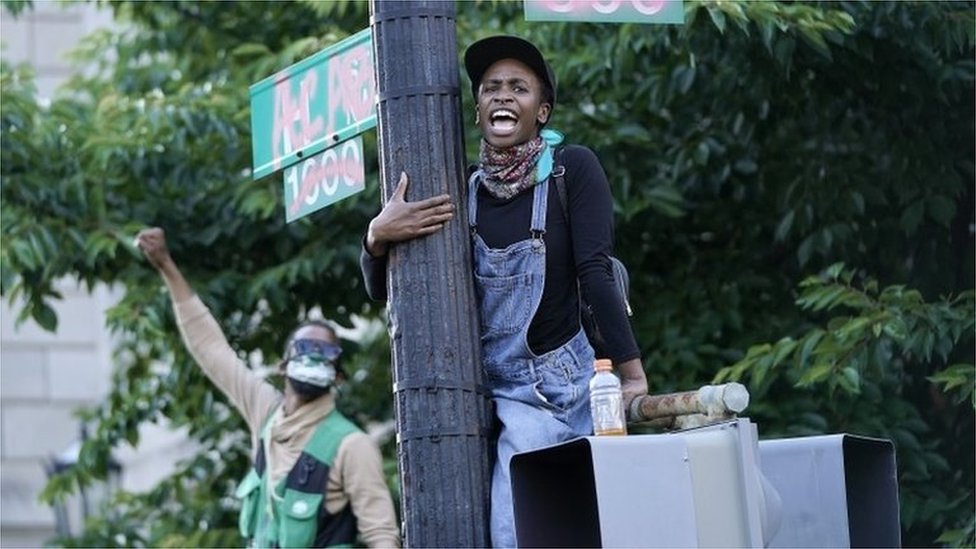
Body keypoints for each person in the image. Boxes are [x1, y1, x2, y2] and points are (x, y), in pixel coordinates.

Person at [360, 35, 649, 547]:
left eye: (519, 87)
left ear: (542, 110)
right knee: (513, 535)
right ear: (478, 112)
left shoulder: (571, 171)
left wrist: (631, 377)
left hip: (574, 387)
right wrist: (376, 237)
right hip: (503, 399)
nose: (503, 96)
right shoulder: (462, 193)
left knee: (607, 531)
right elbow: (386, 294)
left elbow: (596, 272)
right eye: (491, 88)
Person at [135, 227, 401, 549]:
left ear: (338, 376)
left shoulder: (352, 445)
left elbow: (382, 535)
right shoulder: (265, 414)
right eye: (303, 350)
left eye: (325, 355)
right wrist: (165, 265)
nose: (313, 358)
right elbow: (210, 347)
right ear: (283, 366)